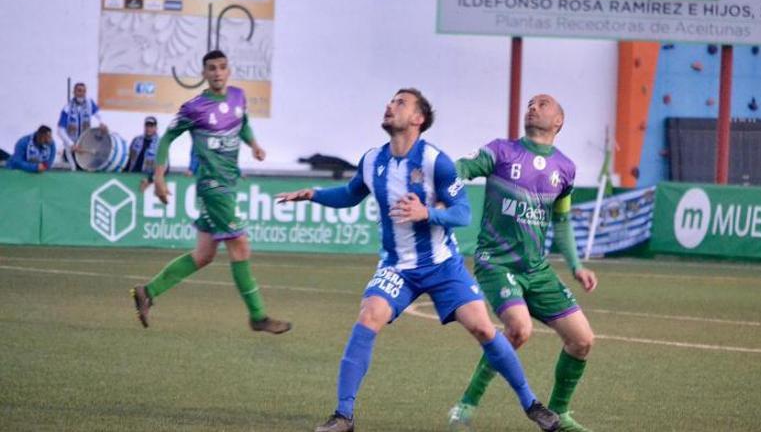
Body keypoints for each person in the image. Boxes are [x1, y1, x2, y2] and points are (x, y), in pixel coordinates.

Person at [275, 88, 560, 432]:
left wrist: (427, 213)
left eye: (400, 102)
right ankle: (343, 416)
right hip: (397, 267)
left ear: (417, 118)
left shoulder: (434, 161)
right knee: (368, 317)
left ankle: (532, 404)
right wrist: (314, 195)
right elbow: (351, 194)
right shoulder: (372, 160)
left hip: (442, 265)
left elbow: (462, 213)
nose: (389, 105)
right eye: (390, 101)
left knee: (484, 328)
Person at [447, 94, 598, 432]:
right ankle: (465, 404)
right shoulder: (501, 151)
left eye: (542, 104)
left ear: (558, 121)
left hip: (537, 269)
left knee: (582, 340)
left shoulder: (565, 168)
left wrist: (576, 265)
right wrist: (443, 175)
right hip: (496, 263)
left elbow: (561, 221)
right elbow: (462, 168)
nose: (533, 106)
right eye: (530, 103)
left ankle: (559, 416)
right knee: (519, 329)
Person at [130, 50, 290, 335]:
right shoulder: (195, 107)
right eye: (211, 68)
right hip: (212, 187)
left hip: (228, 184)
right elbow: (167, 137)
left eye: (222, 67)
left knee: (204, 254)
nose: (217, 72)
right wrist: (159, 176)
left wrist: (253, 144)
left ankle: (148, 291)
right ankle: (258, 315)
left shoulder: (238, 97)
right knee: (240, 245)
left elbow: (243, 125)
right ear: (204, 73)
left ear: (229, 71)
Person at [57, 82, 107, 170]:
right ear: (74, 92)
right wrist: (71, 144)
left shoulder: (89, 103)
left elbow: (99, 114)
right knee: (73, 169)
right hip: (72, 147)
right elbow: (60, 130)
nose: (82, 93)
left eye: (84, 91)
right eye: (79, 91)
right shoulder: (67, 108)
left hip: (85, 145)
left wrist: (102, 123)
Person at [125, 116, 164, 191]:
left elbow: (164, 167)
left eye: (151, 126)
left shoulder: (160, 144)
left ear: (156, 128)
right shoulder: (136, 140)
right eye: (147, 126)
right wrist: (124, 174)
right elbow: (129, 160)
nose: (149, 128)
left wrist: (150, 180)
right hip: (132, 176)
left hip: (147, 178)